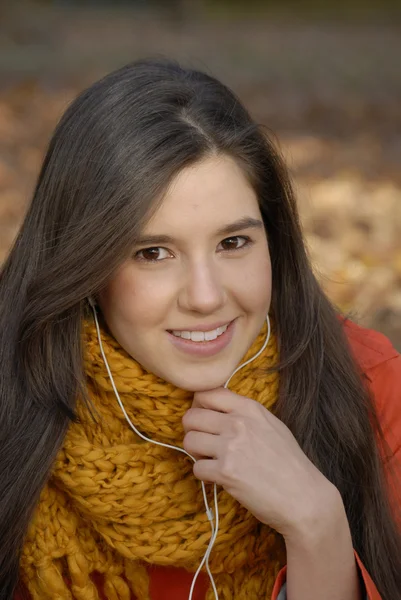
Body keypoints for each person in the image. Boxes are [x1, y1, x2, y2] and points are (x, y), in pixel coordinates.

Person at [0, 58, 400, 600]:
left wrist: (318, 526)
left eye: (233, 243)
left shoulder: (372, 386)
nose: (206, 296)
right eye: (153, 253)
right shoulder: (14, 404)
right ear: (86, 265)